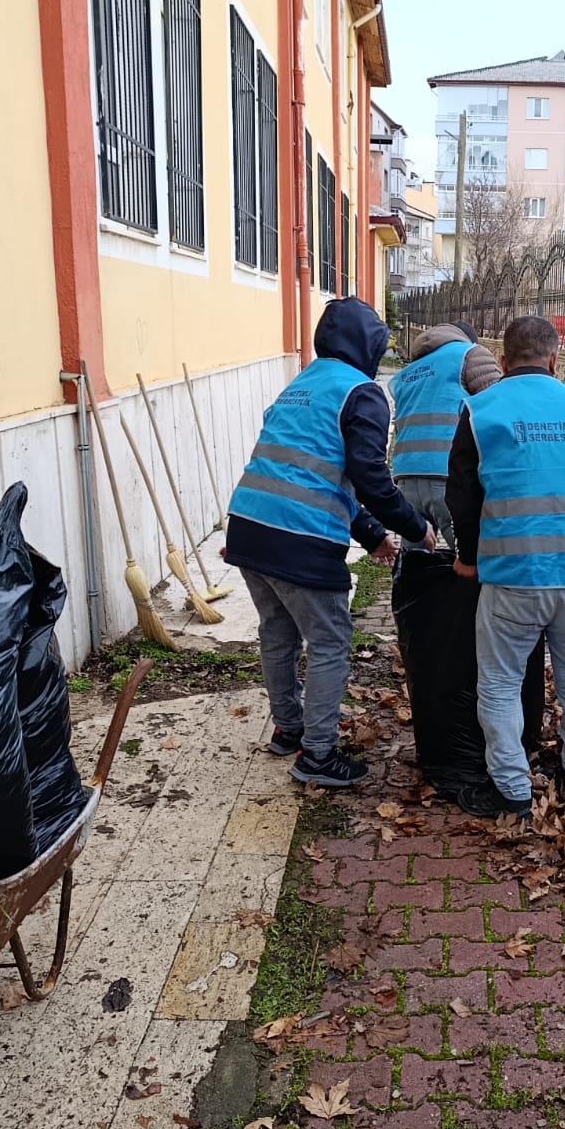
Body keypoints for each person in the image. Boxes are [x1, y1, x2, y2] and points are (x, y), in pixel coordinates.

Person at [227, 298, 435, 788]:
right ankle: (317, 755)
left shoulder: (302, 383)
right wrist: (413, 527)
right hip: (299, 537)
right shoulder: (362, 393)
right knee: (329, 642)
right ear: (368, 346)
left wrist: (372, 535)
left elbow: (316, 474)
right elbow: (370, 479)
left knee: (278, 632)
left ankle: (289, 729)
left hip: (249, 527)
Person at [445, 315, 565, 818]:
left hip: (513, 576)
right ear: (555, 360)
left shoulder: (481, 412)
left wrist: (469, 558)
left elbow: (462, 495)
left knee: (500, 683)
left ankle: (511, 791)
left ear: (502, 362)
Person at [387, 320, 501, 549]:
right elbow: (500, 410)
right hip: (447, 477)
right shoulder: (470, 354)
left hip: (406, 477)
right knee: (473, 556)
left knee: (415, 562)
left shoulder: (409, 372)